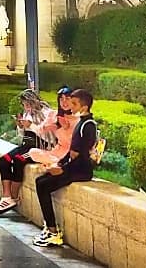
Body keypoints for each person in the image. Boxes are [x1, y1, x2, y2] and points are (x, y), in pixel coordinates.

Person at [32, 90, 98, 248]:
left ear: (84, 106)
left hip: (80, 170)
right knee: (41, 181)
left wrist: (63, 170)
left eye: (74, 103)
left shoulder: (88, 125)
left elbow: (81, 155)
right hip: (72, 167)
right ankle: (49, 227)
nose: (70, 106)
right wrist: (59, 164)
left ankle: (53, 232)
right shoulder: (81, 122)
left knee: (43, 185)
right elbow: (71, 151)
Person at [0, 89, 59, 215]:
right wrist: (20, 126)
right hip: (25, 145)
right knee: (4, 160)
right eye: (24, 105)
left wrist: (31, 126)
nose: (26, 107)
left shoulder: (47, 113)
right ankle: (6, 196)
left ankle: (14, 196)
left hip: (39, 147)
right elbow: (22, 135)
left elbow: (48, 136)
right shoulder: (27, 114)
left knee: (18, 160)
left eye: (28, 104)